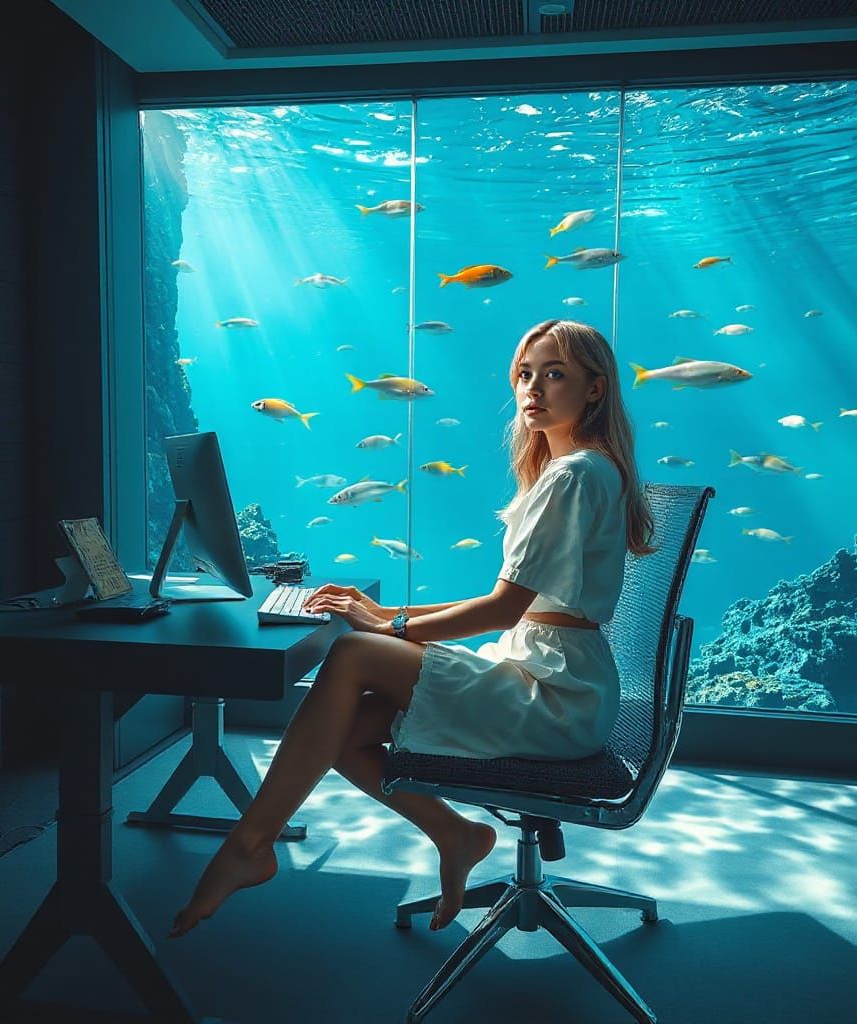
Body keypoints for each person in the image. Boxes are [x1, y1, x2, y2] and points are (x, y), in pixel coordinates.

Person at [169, 319, 656, 939]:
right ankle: (454, 833)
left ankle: (248, 845)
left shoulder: (573, 476)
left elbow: (505, 610)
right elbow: (512, 603)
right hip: (558, 677)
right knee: (345, 728)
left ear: (595, 389)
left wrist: (390, 626)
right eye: (525, 374)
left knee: (351, 656)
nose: (533, 387)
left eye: (554, 374)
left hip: (554, 698)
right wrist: (393, 614)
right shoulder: (582, 469)